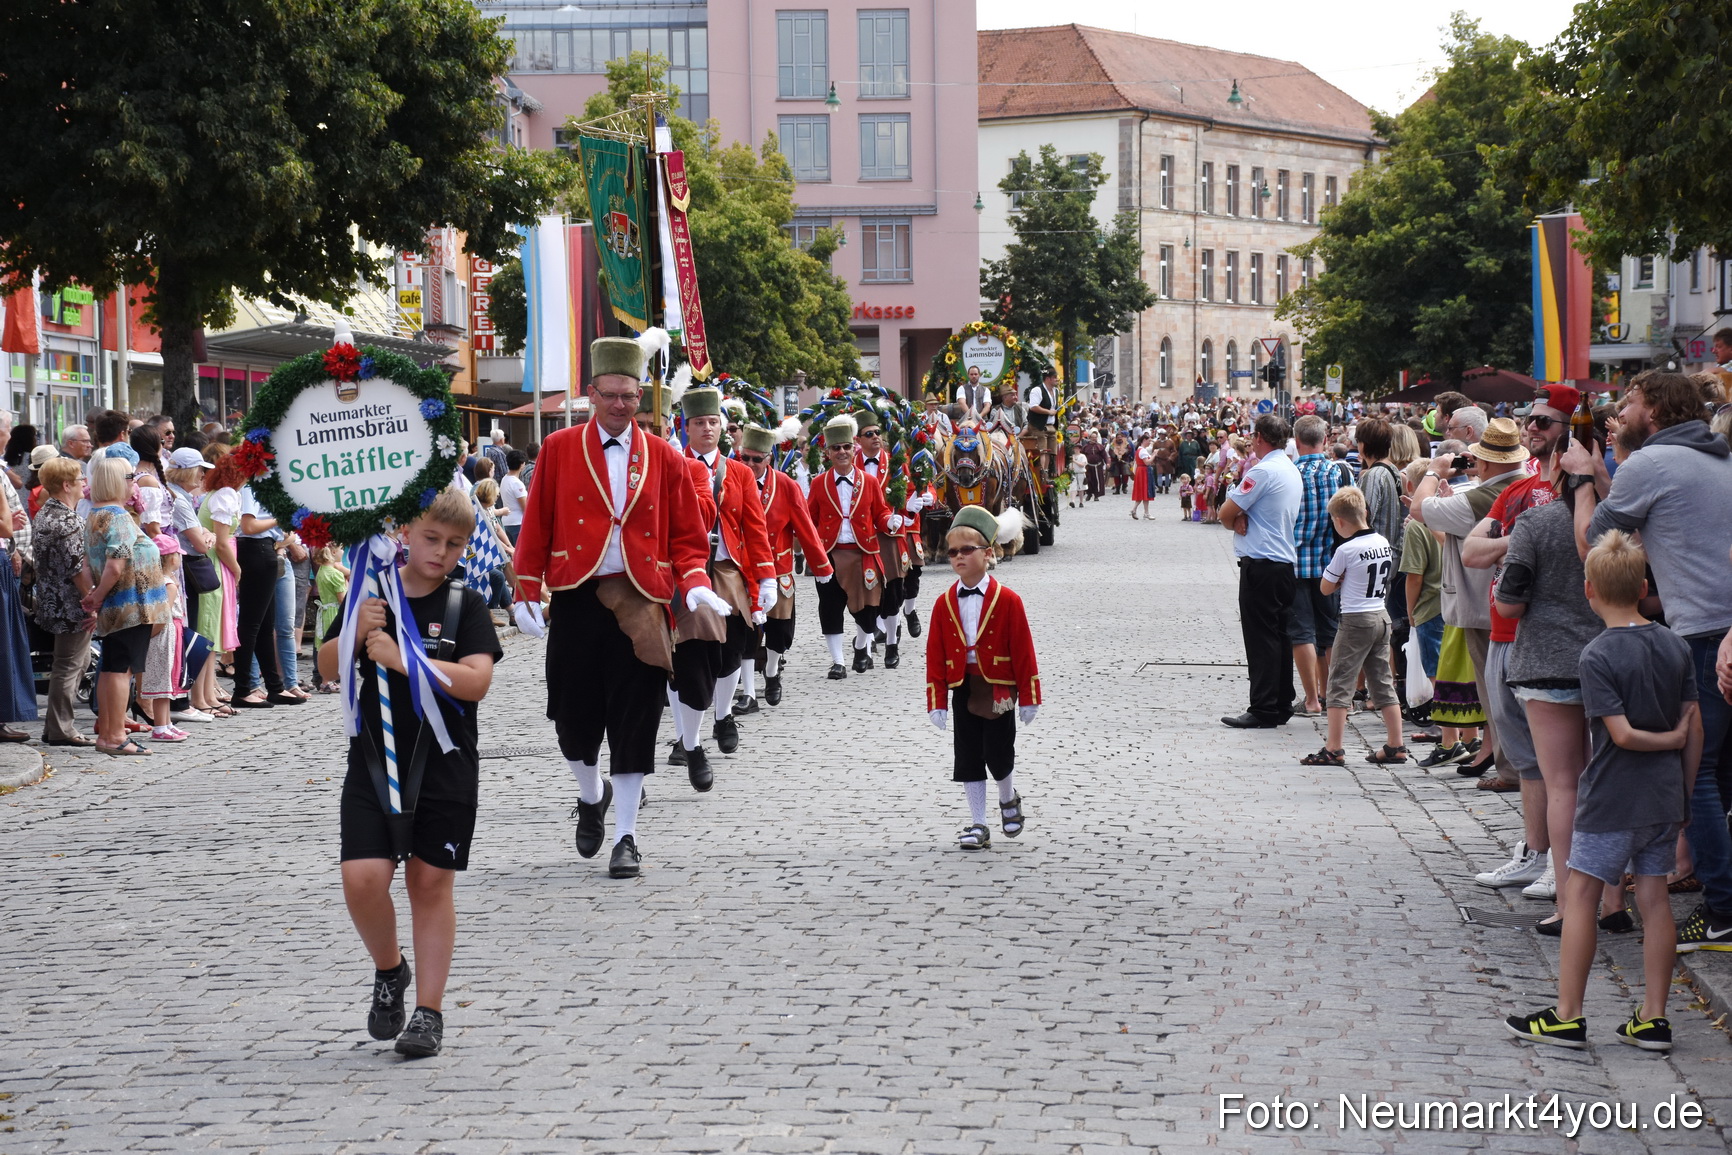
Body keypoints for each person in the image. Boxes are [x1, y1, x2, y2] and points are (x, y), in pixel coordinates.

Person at [512, 334, 721, 880]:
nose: (621, 405)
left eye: (630, 396)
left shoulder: (665, 457)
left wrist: (694, 580)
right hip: (578, 597)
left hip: (643, 599)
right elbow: (536, 526)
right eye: (611, 395)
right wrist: (525, 589)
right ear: (591, 393)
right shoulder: (558, 450)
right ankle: (590, 793)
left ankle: (627, 835)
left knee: (635, 720)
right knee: (572, 723)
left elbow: (687, 536)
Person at [318, 489, 502, 1059]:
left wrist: (407, 659)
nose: (441, 552)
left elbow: (475, 682)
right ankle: (388, 968)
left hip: (444, 766)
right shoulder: (370, 593)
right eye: (431, 538)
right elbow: (326, 666)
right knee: (363, 878)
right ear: (404, 532)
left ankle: (428, 1011)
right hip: (374, 760)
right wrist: (355, 631)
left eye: (454, 544)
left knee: (428, 882)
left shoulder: (462, 605)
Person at [1504, 530, 1700, 1052]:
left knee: (1582, 899)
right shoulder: (1675, 644)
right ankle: (1654, 1017)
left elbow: (1620, 736)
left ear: (1589, 590)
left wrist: (1667, 738)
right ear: (1642, 586)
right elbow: (1694, 725)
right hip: (1662, 798)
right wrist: (1682, 788)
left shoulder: (1596, 655)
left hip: (1611, 796)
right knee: (1655, 900)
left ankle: (1568, 1014)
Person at [1566, 369, 1732, 953]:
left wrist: (1587, 478)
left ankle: (1722, 911)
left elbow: (1596, 548)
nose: (1621, 408)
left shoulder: (1650, 465)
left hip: (1705, 637)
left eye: (1631, 400)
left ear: (1654, 410)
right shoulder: (1719, 458)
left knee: (1702, 776)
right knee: (1724, 775)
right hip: (1725, 627)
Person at [1460, 387, 1574, 892]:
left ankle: (1561, 861)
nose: (1534, 429)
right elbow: (1471, 551)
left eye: (1545, 422)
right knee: (1526, 756)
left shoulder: (1581, 490)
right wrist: (1519, 538)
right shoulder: (1516, 493)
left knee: (1563, 760)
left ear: (1570, 430)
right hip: (1506, 633)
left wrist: (1515, 539)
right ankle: (1535, 850)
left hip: (1552, 637)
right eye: (1531, 419)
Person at [1411, 418, 1531, 788]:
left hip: (1486, 605)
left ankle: (1508, 768)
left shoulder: (1481, 496)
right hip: (1510, 601)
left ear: (1490, 462)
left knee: (1493, 691)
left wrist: (1433, 470)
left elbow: (1418, 509)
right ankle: (1497, 757)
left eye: (1479, 460)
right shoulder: (1524, 486)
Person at [668, 387, 775, 777]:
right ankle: (685, 736)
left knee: (734, 647)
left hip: (727, 568)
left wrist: (766, 574)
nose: (708, 429)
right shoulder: (672, 465)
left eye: (714, 422)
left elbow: (754, 526)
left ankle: (724, 714)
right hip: (683, 568)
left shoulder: (741, 472)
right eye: (699, 422)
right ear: (686, 427)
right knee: (685, 654)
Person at [925, 505, 1040, 851]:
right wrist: (937, 701)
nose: (958, 557)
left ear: (988, 554)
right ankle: (978, 823)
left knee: (999, 753)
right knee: (969, 756)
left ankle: (1007, 799)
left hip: (1000, 689)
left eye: (966, 550)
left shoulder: (1008, 600)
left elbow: (1023, 650)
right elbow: (935, 655)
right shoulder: (943, 603)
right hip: (963, 687)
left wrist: (1030, 695)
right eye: (952, 552)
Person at [1300, 488, 1406, 765]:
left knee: (1338, 684)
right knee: (1382, 682)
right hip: (1381, 615)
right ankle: (1396, 744)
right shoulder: (1381, 541)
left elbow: (1325, 588)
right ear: (1365, 513)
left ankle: (1333, 748)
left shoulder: (1345, 549)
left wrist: (1340, 577)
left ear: (1339, 520)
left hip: (1356, 620)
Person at [736, 422, 832, 709]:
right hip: (743, 571)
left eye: (757, 459)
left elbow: (805, 528)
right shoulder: (730, 481)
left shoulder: (787, 486)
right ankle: (749, 693)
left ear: (770, 459)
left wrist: (821, 565)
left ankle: (772, 671)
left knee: (780, 633)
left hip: (778, 571)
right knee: (745, 633)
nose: (750, 464)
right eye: (745, 458)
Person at [1217, 414, 1303, 728]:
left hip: (1262, 564)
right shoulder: (1290, 468)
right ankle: (1281, 702)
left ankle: (1263, 707)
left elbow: (1226, 513)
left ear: (1259, 438)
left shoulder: (1263, 470)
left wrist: (1235, 518)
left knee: (1261, 638)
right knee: (1279, 637)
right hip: (1282, 563)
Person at [83, 457, 171, 756]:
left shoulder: (97, 514)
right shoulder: (118, 517)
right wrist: (97, 595)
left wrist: (95, 594)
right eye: (130, 477)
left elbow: (88, 562)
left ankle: (109, 732)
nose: (134, 482)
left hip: (118, 604)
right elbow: (116, 564)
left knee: (112, 669)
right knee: (122, 670)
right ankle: (115, 736)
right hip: (131, 604)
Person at [807, 414, 900, 678]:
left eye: (846, 447)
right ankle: (838, 662)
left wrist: (890, 521)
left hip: (864, 552)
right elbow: (809, 519)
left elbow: (879, 512)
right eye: (836, 448)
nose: (842, 452)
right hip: (830, 555)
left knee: (869, 610)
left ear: (853, 448)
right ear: (828, 452)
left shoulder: (869, 482)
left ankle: (861, 646)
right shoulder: (819, 483)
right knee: (830, 607)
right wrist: (811, 549)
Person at [30, 457, 96, 746]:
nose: (84, 484)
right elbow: (77, 568)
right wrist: (91, 600)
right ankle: (60, 728)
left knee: (72, 662)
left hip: (51, 600)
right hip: (70, 604)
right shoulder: (67, 520)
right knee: (69, 664)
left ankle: (55, 725)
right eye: (80, 479)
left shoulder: (46, 513)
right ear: (66, 484)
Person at [1290, 415, 1343, 717]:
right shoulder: (1337, 472)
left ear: (1296, 442)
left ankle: (1311, 700)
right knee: (1330, 632)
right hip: (1329, 565)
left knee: (1302, 633)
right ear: (1325, 440)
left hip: (1295, 564)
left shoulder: (1290, 474)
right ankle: (1333, 696)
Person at [499, 450, 529, 545]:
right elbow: (525, 506)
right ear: (521, 465)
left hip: (507, 521)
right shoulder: (517, 483)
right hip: (518, 522)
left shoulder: (504, 479)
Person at [1130, 433, 1154, 520]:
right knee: (1145, 491)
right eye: (1148, 441)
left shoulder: (1140, 450)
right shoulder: (1142, 450)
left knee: (1143, 492)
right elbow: (1147, 462)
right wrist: (1154, 454)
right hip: (1144, 471)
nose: (1149, 443)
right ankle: (1145, 513)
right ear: (1144, 440)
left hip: (1141, 470)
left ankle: (1137, 510)